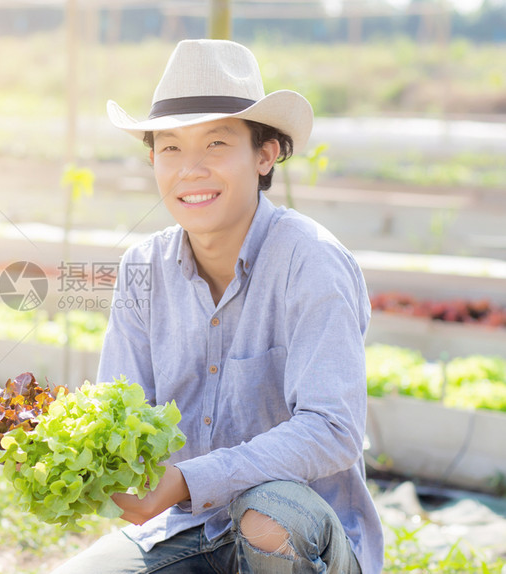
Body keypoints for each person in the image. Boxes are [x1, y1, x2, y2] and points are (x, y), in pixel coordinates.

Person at [52, 39, 384, 574]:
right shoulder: (144, 266)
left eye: (215, 144)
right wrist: (64, 449)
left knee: (266, 517)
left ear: (264, 154)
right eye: (171, 148)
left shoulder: (310, 262)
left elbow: (333, 428)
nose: (191, 170)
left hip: (298, 530)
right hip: (187, 527)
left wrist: (190, 478)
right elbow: (118, 407)